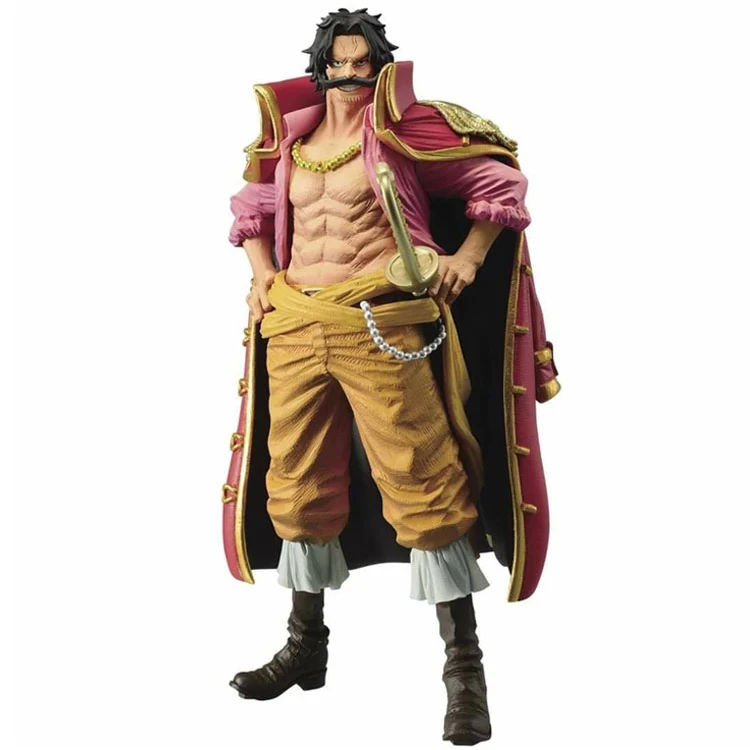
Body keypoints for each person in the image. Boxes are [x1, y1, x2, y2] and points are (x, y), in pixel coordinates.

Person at [220, 8, 560, 746]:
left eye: (360, 64)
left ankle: (464, 671)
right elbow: (253, 208)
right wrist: (263, 275)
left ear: (379, 69)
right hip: (296, 326)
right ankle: (306, 646)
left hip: (381, 324)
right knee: (296, 484)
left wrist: (468, 256)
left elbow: (501, 181)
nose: (347, 76)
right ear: (319, 68)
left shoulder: (402, 138)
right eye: (335, 64)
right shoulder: (291, 143)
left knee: (423, 481)